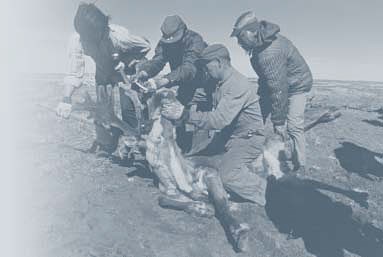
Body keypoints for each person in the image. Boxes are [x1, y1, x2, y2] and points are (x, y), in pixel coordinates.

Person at [161, 44, 266, 205]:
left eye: (206, 65)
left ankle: (269, 193)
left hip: (247, 139)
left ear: (218, 62)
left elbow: (219, 120)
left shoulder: (238, 85)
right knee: (191, 159)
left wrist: (184, 114)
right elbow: (198, 96)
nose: (205, 70)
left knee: (228, 176)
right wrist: (171, 97)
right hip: (227, 136)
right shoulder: (217, 82)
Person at [55, 3, 151, 155]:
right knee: (103, 111)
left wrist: (128, 61)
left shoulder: (119, 36)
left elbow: (145, 46)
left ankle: (136, 144)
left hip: (124, 71)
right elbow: (74, 71)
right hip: (103, 72)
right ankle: (107, 143)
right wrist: (66, 99)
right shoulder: (77, 40)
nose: (89, 41)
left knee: (128, 109)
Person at [230, 11, 313, 172]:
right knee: (255, 115)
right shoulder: (260, 45)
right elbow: (267, 79)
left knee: (294, 125)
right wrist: (258, 102)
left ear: (252, 31)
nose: (239, 42)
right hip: (279, 85)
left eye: (240, 36)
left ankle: (300, 164)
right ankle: (250, 152)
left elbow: (278, 90)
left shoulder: (269, 52)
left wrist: (278, 122)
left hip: (297, 86)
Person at [137, 15, 212, 153]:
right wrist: (145, 72)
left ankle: (200, 154)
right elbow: (158, 61)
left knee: (199, 119)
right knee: (178, 115)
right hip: (183, 83)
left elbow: (190, 68)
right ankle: (181, 151)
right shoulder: (164, 43)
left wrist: (165, 80)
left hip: (202, 84)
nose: (171, 43)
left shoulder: (195, 40)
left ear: (183, 31)